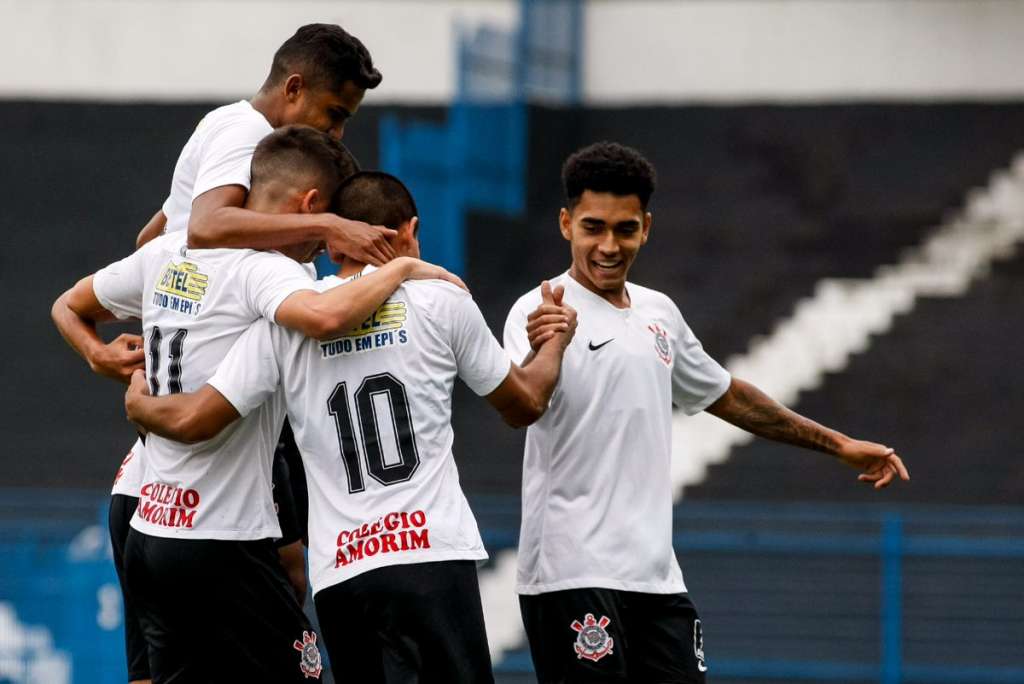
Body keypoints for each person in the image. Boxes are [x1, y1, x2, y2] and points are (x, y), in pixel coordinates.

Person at [122, 171, 578, 684]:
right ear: (410, 230)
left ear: (336, 243)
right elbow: (523, 404)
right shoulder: (441, 298)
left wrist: (139, 403)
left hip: (343, 573)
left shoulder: (286, 321)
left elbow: (195, 418)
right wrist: (554, 341)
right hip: (430, 557)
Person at [52, 128, 462, 682]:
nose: (323, 249)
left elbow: (68, 305)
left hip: (146, 520)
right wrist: (403, 268)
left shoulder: (168, 251)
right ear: (311, 206)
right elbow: (323, 317)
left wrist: (98, 355)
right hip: (220, 540)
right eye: (326, 231)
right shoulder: (268, 274)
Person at [502, 141, 910, 684]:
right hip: (569, 570)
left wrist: (837, 444)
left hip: (656, 577)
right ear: (564, 224)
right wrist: (546, 346)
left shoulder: (659, 313)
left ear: (645, 227)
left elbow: (729, 395)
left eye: (624, 229)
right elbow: (520, 407)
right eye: (592, 226)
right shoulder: (538, 310)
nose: (608, 245)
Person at [66, 23, 391, 683]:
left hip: (151, 500)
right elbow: (210, 228)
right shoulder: (249, 160)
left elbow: (157, 237)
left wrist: (128, 335)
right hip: (211, 520)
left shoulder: (214, 132)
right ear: (294, 89)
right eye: (334, 116)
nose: (337, 135)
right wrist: (353, 240)